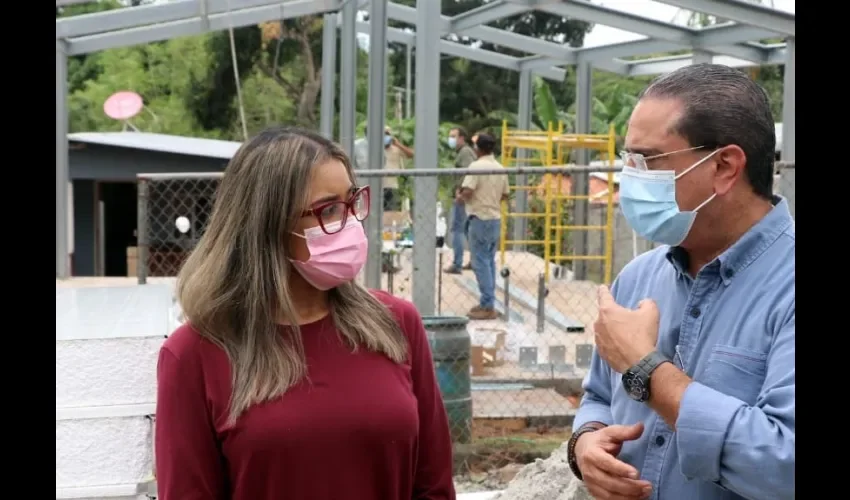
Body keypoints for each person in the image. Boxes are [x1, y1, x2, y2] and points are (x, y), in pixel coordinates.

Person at [155, 127, 455, 500]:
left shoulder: (395, 323)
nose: (350, 223)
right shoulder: (194, 354)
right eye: (328, 209)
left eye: (352, 201)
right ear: (266, 224)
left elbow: (434, 485)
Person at [567, 64, 794, 500]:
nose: (630, 177)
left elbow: (785, 465)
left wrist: (647, 370)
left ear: (725, 166)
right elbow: (597, 395)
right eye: (627, 159)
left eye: (647, 160)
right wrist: (586, 442)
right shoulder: (638, 277)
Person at [459, 132, 509, 320]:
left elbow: (469, 189)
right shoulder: (500, 167)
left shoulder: (476, 166)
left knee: (479, 262)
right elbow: (505, 195)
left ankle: (487, 305)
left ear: (478, 149)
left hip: (479, 217)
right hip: (494, 217)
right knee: (488, 261)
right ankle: (489, 301)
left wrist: (460, 196)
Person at [444, 127, 477, 274]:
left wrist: (461, 192)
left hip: (463, 196)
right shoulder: (465, 152)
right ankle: (474, 261)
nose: (451, 139)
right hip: (466, 195)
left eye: (453, 136)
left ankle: (457, 263)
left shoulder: (464, 152)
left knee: (457, 229)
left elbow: (468, 172)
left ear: (462, 138)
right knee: (466, 229)